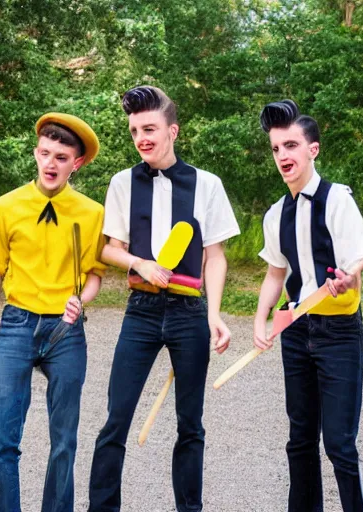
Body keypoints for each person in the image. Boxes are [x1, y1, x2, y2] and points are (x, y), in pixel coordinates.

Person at [88, 85, 240, 512]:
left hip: (189, 312)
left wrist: (214, 315)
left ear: (173, 130)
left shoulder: (207, 184)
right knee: (116, 419)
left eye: (149, 128)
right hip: (141, 311)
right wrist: (139, 263)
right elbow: (107, 248)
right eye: (135, 130)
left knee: (190, 424)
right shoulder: (122, 182)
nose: (141, 137)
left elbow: (215, 257)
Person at [0, 112, 106, 512]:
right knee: (0, 439)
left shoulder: (91, 213)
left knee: (64, 441)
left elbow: (95, 274)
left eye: (61, 157)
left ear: (76, 163)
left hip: (66, 331)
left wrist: (84, 299)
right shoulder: (4, 206)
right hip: (15, 325)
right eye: (45, 153)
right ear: (35, 152)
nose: (51, 163)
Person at [253, 99, 363, 512]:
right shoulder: (275, 214)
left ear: (313, 149)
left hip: (338, 333)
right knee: (300, 440)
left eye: (290, 145)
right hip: (296, 331)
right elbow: (276, 272)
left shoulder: (337, 199)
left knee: (340, 444)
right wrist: (260, 321)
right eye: (275, 149)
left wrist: (351, 274)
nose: (282, 156)